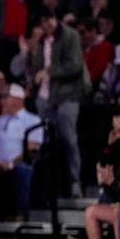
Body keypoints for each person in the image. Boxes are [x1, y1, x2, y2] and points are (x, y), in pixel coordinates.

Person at [30, 10, 91, 198]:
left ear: (55, 19)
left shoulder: (69, 35)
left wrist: (49, 72)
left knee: (68, 139)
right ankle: (48, 186)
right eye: (43, 21)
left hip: (67, 95)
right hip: (45, 96)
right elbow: (36, 68)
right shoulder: (41, 39)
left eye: (49, 19)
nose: (46, 24)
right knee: (45, 142)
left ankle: (75, 182)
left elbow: (75, 65)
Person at [0, 84, 43, 221]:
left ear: (18, 99)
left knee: (21, 170)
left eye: (6, 97)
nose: (2, 101)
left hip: (20, 163)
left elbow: (32, 148)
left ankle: (20, 214)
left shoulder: (33, 120)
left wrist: (10, 163)